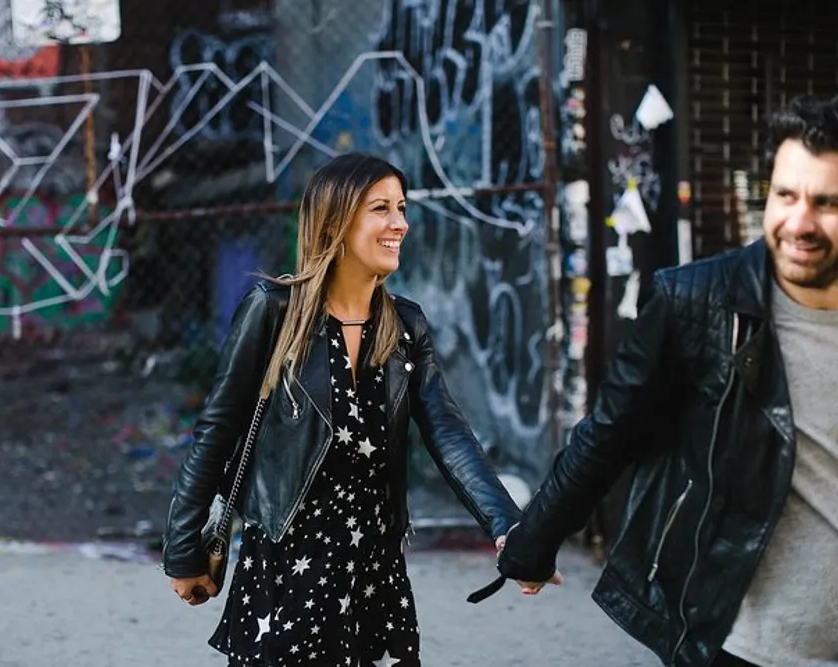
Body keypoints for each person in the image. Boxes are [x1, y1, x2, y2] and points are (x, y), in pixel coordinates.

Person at [477, 95, 838, 667]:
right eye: (786, 195)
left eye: (827, 203)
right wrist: (533, 543)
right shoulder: (702, 302)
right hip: (744, 645)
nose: (800, 222)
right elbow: (609, 429)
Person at [162, 152, 541, 667]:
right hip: (287, 568)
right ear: (336, 220)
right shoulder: (274, 311)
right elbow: (216, 430)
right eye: (381, 208)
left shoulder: (405, 326)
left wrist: (510, 527)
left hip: (374, 572)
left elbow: (449, 434)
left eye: (402, 208)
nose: (399, 224)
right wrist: (183, 546)